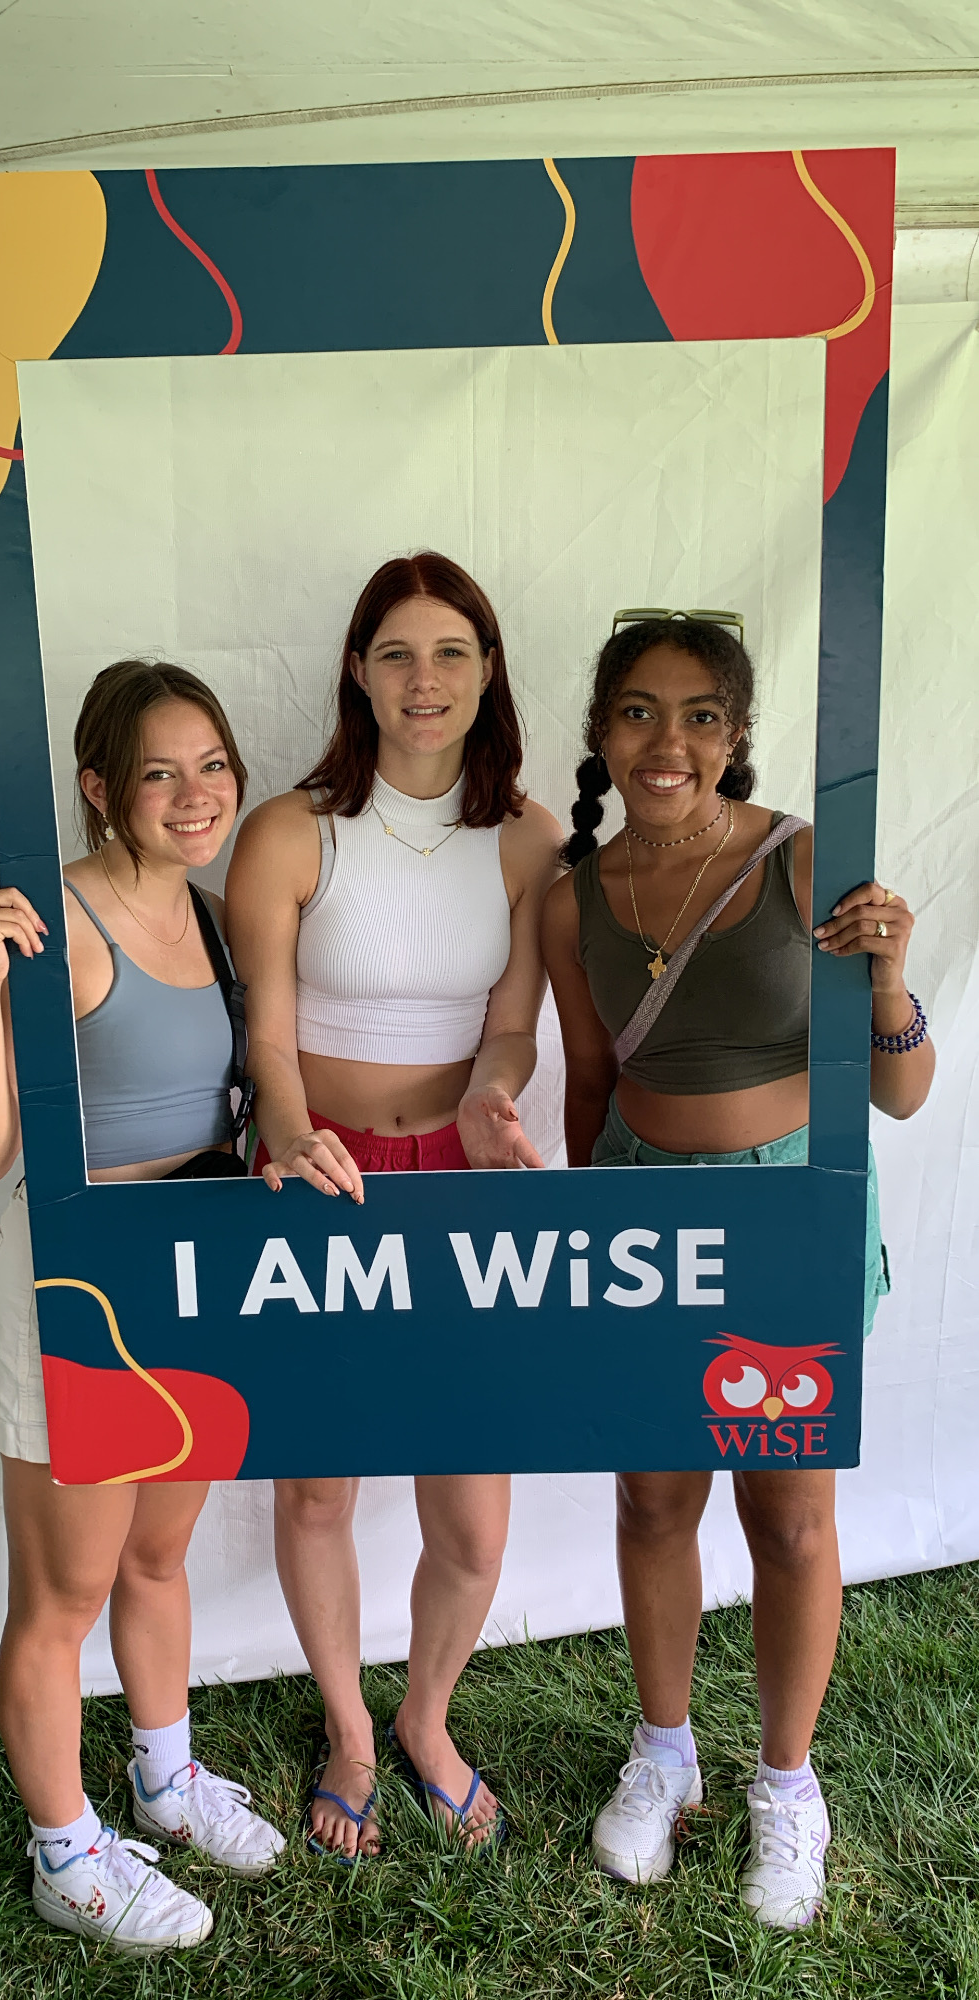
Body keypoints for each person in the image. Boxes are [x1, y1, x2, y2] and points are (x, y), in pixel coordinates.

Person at [541, 611, 933, 1930]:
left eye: (700, 713)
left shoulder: (805, 860)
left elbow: (900, 1094)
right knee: (653, 1502)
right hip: (638, 1215)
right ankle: (660, 1753)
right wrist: (581, 1246)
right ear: (600, 729)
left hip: (781, 1220)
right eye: (638, 711)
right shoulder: (569, 896)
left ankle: (784, 1783)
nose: (667, 741)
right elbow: (590, 1081)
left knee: (791, 1518)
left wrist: (887, 975)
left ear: (737, 732)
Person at [0, 660, 285, 1954]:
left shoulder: (207, 915)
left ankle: (163, 1774)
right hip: (76, 1292)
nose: (193, 794)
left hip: (187, 1286)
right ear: (99, 787)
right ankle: (65, 1853)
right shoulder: (52, 921)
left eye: (210, 765)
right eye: (158, 770)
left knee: (155, 1557)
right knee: (63, 1594)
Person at [226, 552, 562, 1858]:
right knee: (318, 1489)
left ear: (487, 674)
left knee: (470, 1512)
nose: (424, 681)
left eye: (451, 653)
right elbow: (267, 1031)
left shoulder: (528, 835)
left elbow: (514, 1022)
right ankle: (349, 1734)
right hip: (323, 1179)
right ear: (356, 674)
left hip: (463, 1189)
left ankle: (425, 1718)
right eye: (396, 654)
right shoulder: (288, 829)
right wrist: (297, 1132)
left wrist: (490, 1095)